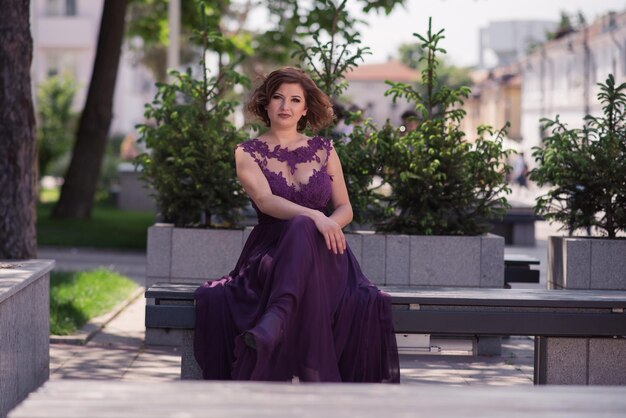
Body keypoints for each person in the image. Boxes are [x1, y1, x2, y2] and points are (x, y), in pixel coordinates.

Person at [193, 67, 400, 383]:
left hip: (324, 252)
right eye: (277, 98)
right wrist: (314, 215)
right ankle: (280, 320)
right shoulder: (246, 152)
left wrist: (326, 222)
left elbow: (345, 208)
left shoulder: (325, 150)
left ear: (305, 108)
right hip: (272, 255)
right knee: (301, 225)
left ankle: (276, 320)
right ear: (266, 104)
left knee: (305, 228)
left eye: (294, 100)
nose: (284, 106)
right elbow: (265, 201)